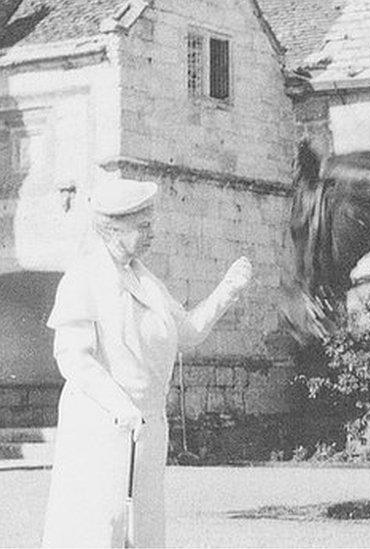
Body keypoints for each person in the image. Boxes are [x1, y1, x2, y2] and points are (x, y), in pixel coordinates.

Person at [41, 176, 252, 547]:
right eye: (143, 226)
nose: (152, 233)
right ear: (112, 229)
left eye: (151, 223)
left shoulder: (146, 281)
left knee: (143, 531)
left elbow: (187, 332)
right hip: (100, 427)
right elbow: (72, 357)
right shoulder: (83, 278)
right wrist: (119, 406)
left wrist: (226, 291)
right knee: (98, 527)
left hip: (148, 427)